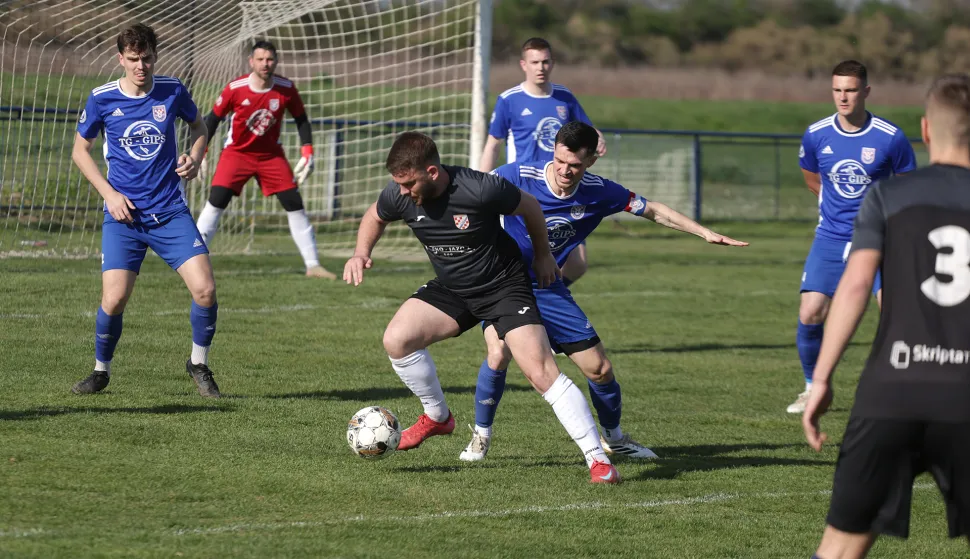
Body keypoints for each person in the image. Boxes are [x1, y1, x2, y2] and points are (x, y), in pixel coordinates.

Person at [460, 121, 748, 461]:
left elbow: (652, 209)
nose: (566, 171)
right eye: (561, 161)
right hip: (504, 285)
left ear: (591, 162)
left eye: (576, 165)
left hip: (548, 288)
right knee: (498, 354)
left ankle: (616, 439)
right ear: (553, 150)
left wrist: (704, 233)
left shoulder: (599, 191)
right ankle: (481, 437)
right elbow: (470, 195)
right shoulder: (517, 175)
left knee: (600, 369)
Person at [344, 131, 621, 483]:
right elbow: (375, 215)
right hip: (454, 288)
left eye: (409, 183)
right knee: (397, 340)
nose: (402, 192)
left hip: (504, 287)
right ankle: (437, 417)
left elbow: (530, 206)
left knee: (540, 373)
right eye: (397, 184)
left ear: (432, 172)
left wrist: (542, 255)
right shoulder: (402, 194)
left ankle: (598, 461)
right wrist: (360, 253)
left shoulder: (479, 188)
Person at [802, 73, 970, 559]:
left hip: (891, 391)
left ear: (925, 130)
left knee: (838, 549)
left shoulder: (889, 197)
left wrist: (822, 380)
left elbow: (855, 286)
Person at [70, 23, 220, 398]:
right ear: (121, 58)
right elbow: (79, 151)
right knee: (114, 299)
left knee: (205, 290)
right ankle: (100, 371)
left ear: (155, 56)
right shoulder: (102, 98)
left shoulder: (171, 90)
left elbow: (199, 126)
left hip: (169, 211)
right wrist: (109, 194)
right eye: (134, 59)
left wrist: (195, 156)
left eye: (147, 58)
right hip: (124, 217)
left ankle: (198, 364)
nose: (141, 66)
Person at [789, 59, 917, 414]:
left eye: (850, 90)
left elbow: (907, 188)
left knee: (894, 314)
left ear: (866, 92)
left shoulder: (890, 137)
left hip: (878, 239)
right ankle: (812, 389)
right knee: (811, 311)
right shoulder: (817, 134)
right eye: (837, 90)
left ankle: (901, 389)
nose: (843, 97)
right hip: (830, 237)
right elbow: (812, 178)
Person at [194, 40, 335, 279]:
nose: (265, 64)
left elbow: (301, 119)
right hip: (237, 154)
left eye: (269, 59)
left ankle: (313, 265)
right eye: (260, 59)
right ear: (251, 62)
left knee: (294, 203)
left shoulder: (286, 88)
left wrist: (308, 151)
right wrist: (201, 153)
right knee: (216, 201)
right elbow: (212, 120)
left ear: (276, 61)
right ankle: (193, 259)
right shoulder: (235, 88)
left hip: (271, 156)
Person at [479, 37, 606, 287]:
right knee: (523, 256)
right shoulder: (509, 100)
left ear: (553, 63)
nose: (541, 67)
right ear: (523, 64)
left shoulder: (564, 97)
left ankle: (538, 293)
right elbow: (493, 144)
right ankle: (522, 299)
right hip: (525, 188)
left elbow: (588, 130)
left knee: (578, 264)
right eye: (535, 62)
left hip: (561, 187)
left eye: (546, 61)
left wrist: (599, 139)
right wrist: (481, 186)